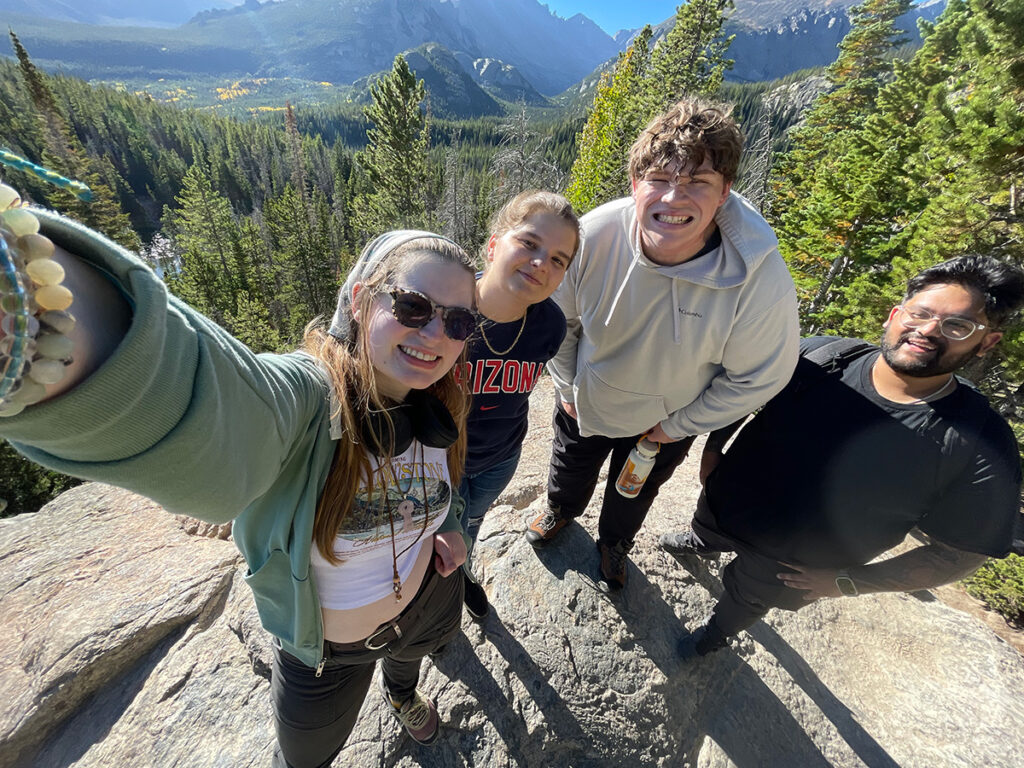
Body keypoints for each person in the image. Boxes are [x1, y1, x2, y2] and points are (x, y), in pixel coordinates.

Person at [0, 181, 480, 766]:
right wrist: (39, 315)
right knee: (302, 759)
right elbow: (212, 405)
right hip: (323, 654)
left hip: (425, 602)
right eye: (413, 307)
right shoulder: (311, 400)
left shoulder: (443, 401)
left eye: (457, 323)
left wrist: (450, 522)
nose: (435, 334)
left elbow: (443, 484)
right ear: (359, 301)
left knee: (408, 666)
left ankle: (402, 692)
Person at [659, 255, 1024, 659]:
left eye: (956, 326)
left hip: (794, 563)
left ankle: (713, 636)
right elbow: (744, 391)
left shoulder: (981, 444)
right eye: (919, 314)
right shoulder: (822, 356)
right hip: (725, 504)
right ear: (894, 315)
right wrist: (713, 450)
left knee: (746, 599)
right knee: (708, 529)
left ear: (985, 342)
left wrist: (847, 582)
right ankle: (701, 541)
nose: (927, 332)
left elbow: (961, 554)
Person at [525, 97, 800, 593]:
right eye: (659, 179)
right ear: (635, 185)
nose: (674, 199)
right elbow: (558, 319)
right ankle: (561, 510)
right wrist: (566, 385)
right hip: (585, 401)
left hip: (664, 425)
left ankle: (613, 545)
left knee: (635, 492)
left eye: (697, 183)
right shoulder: (594, 235)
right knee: (569, 467)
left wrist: (678, 425)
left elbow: (762, 376)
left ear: (725, 194)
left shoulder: (755, 275)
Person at [454, 190, 580, 619]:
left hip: (499, 458)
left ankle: (462, 575)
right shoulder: (446, 309)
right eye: (528, 243)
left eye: (559, 259)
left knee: (470, 525)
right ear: (493, 245)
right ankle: (433, 609)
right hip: (435, 462)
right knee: (433, 537)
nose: (542, 262)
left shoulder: (548, 326)